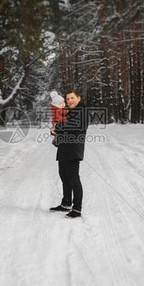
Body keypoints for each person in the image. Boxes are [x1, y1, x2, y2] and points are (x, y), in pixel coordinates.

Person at [50, 89, 88, 218]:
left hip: (73, 148)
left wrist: (58, 128)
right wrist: (55, 130)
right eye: (68, 99)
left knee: (73, 179)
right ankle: (66, 203)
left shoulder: (81, 110)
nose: (70, 100)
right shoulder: (69, 112)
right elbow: (62, 125)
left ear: (79, 98)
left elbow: (74, 126)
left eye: (72, 98)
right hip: (64, 148)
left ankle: (77, 209)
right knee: (64, 177)